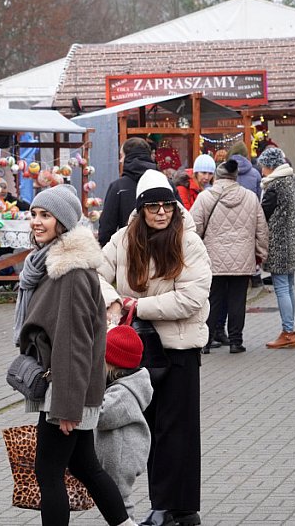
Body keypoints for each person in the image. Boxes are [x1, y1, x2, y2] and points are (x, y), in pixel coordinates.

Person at [14, 184, 134, 526]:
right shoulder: (47, 264)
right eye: (34, 214)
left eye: (45, 216)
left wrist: (68, 408)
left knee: (48, 473)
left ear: (63, 223)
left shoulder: (70, 272)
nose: (37, 222)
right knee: (84, 465)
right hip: (69, 386)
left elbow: (75, 344)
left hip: (66, 390)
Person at [98, 169, 211, 526]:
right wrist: (114, 299)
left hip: (179, 348)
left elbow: (192, 298)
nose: (161, 212)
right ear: (141, 209)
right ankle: (174, 507)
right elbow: (93, 274)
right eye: (153, 206)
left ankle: (174, 507)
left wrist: (136, 306)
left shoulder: (189, 242)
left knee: (177, 430)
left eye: (167, 205)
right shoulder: (123, 238)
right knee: (144, 426)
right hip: (138, 349)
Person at [191, 159, 268, 354]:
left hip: (212, 259)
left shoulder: (205, 198)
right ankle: (236, 341)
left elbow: (192, 227)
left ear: (217, 176)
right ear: (236, 177)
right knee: (237, 300)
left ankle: (206, 342)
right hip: (243, 258)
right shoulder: (250, 197)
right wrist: (261, 253)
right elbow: (262, 229)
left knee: (212, 300)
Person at [95, 325, 152, 522]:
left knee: (120, 500)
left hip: (122, 457)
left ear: (113, 363)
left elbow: (102, 416)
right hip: (117, 453)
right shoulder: (121, 386)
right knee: (114, 499)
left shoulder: (124, 394)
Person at [258, 146, 295, 349]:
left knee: (282, 288)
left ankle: (288, 331)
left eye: (263, 166)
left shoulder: (275, 185)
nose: (261, 171)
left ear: (270, 166)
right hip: (294, 241)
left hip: (279, 244)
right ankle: (289, 328)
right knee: (289, 287)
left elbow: (263, 215)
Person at [98, 138, 156, 246]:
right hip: (163, 253)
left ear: (129, 157)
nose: (120, 161)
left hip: (128, 253)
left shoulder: (118, 187)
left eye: (122, 156)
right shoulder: (165, 184)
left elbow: (107, 228)